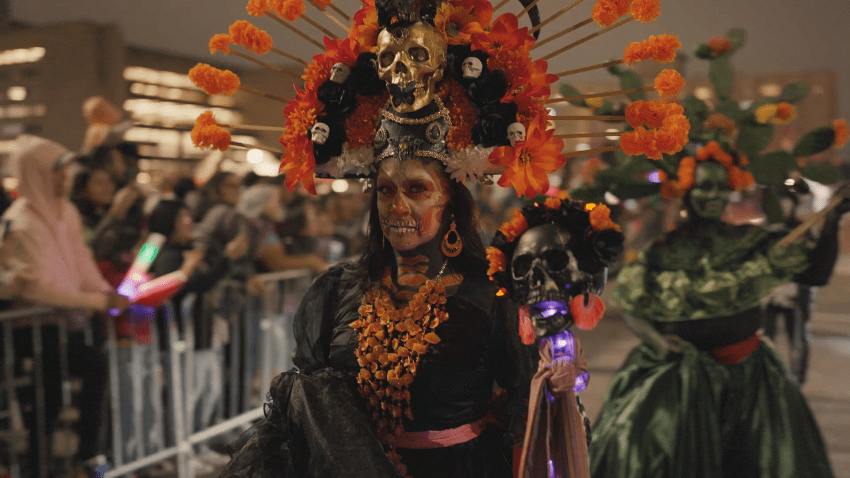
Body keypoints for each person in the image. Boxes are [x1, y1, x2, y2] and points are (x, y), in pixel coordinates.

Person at [221, 153, 534, 478]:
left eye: (416, 189)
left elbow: (523, 397)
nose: (397, 206)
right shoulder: (338, 289)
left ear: (450, 202)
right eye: (386, 190)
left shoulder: (489, 295)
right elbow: (311, 401)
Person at [590, 142, 847, 478]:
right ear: (686, 191)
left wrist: (832, 222)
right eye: (704, 186)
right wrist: (655, 339)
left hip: (748, 381)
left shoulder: (751, 241)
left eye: (721, 187)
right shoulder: (660, 250)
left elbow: (816, 274)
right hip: (675, 383)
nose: (713, 195)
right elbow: (635, 310)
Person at [1, 135, 129, 475]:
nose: (67, 178)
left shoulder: (65, 211)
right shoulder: (21, 220)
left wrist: (106, 293)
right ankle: (40, 465)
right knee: (45, 404)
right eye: (58, 172)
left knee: (89, 374)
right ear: (38, 175)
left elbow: (82, 263)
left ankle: (85, 453)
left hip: (67, 325)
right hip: (35, 330)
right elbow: (37, 288)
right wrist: (96, 300)